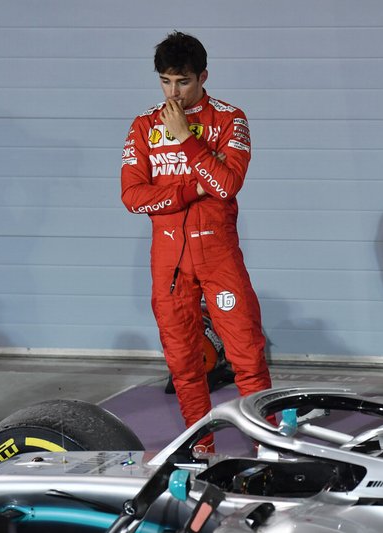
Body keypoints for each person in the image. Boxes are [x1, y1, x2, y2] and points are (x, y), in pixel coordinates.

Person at [120, 31, 272, 453]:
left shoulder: (230, 119)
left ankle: (269, 444)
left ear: (203, 76)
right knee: (184, 363)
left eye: (183, 82)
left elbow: (225, 185)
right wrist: (192, 189)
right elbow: (132, 197)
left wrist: (186, 136)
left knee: (247, 356)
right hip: (167, 263)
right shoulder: (143, 126)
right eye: (166, 81)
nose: (174, 92)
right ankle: (200, 446)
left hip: (219, 256)